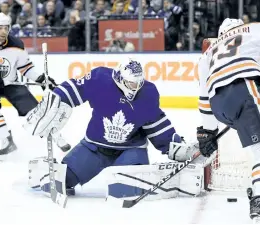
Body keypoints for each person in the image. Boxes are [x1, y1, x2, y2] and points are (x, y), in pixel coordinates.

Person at [171, 19, 260, 222]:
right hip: (243, 89)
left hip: (219, 105)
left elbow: (205, 97)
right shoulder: (255, 28)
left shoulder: (208, 54)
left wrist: (208, 132)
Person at [23, 58, 188, 197]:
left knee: (125, 190)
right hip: (94, 147)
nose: (135, 87)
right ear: (119, 78)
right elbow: (75, 88)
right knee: (61, 180)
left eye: (138, 83)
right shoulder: (100, 79)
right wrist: (57, 98)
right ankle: (45, 170)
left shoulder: (148, 93)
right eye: (130, 83)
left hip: (130, 150)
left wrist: (172, 146)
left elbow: (155, 124)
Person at [0, 12, 71, 159]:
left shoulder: (17, 45)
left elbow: (26, 67)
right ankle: (6, 140)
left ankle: (54, 134)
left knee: (34, 111)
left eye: (6, 28)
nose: (3, 31)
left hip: (11, 82)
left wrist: (41, 78)